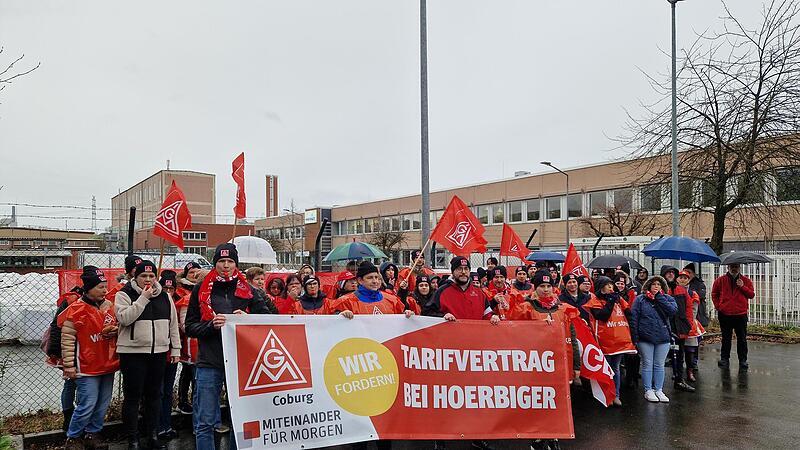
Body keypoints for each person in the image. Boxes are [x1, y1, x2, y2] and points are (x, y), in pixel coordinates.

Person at [185, 243, 273, 450]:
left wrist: (248, 319)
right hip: (209, 362)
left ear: (236, 264)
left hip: (240, 363)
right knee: (205, 420)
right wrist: (210, 325)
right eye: (221, 261)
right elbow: (190, 327)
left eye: (230, 261)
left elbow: (268, 319)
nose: (226, 266)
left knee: (240, 418)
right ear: (215, 263)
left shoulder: (248, 289)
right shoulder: (201, 288)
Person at [422, 256, 499, 450]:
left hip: (474, 354)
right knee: (446, 396)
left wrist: (493, 317)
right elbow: (426, 314)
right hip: (449, 354)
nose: (463, 272)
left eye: (466, 269)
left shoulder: (479, 293)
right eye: (459, 269)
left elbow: (486, 313)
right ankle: (440, 437)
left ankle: (477, 435)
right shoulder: (442, 292)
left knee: (475, 396)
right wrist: (442, 316)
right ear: (453, 271)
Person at [335, 261, 413, 450]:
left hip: (384, 365)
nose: (375, 281)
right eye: (370, 278)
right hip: (358, 367)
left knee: (383, 410)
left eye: (377, 277)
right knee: (360, 411)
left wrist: (409, 314)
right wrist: (339, 317)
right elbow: (328, 327)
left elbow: (404, 317)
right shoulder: (346, 301)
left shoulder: (391, 300)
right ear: (359, 280)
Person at [509, 270, 580, 450]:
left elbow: (572, 337)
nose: (546, 290)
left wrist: (576, 366)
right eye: (542, 286)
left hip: (560, 364)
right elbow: (514, 332)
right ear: (535, 287)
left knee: (558, 401)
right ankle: (537, 438)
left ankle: (554, 435)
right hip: (536, 365)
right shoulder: (526, 307)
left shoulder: (563, 308)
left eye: (549, 286)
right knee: (538, 402)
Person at [115, 260, 181, 450]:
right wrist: (143, 299)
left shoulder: (165, 297)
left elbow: (173, 324)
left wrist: (175, 349)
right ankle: (133, 439)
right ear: (135, 277)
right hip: (132, 353)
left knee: (154, 396)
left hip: (158, 352)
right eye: (143, 276)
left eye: (151, 276)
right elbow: (125, 319)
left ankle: (153, 435)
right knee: (133, 397)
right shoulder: (124, 294)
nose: (148, 280)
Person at [59, 267, 119, 450]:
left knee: (102, 403)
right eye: (100, 287)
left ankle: (93, 433)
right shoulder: (75, 310)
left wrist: (116, 331)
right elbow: (67, 341)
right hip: (85, 367)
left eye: (105, 286)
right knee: (87, 403)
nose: (104, 290)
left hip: (107, 364)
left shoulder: (110, 307)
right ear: (89, 288)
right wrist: (69, 366)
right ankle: (73, 437)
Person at [583, 276, 636, 406]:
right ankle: (606, 395)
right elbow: (602, 316)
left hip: (620, 341)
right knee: (605, 369)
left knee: (616, 368)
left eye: (612, 285)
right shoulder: (594, 300)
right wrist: (611, 302)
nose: (611, 287)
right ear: (601, 287)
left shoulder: (619, 299)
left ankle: (616, 395)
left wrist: (633, 336)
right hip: (604, 342)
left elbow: (629, 315)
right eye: (608, 285)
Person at [630, 276, 677, 403]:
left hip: (663, 337)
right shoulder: (640, 300)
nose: (656, 286)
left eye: (659, 284)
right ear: (649, 286)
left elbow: (672, 311)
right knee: (647, 363)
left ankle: (659, 389)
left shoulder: (667, 299)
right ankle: (648, 390)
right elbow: (634, 318)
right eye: (654, 284)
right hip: (645, 337)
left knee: (659, 364)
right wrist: (635, 337)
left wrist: (659, 298)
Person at [46, 285, 84, 432]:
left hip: (81, 349)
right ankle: (70, 417)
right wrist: (56, 351)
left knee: (75, 385)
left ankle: (73, 418)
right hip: (70, 349)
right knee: (72, 384)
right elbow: (57, 325)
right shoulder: (71, 300)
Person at [711, 263, 754, 370]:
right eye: (732, 267)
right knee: (726, 338)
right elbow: (714, 294)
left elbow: (751, 295)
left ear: (739, 268)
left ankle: (743, 360)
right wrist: (719, 307)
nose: (734, 269)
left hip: (741, 314)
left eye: (736, 267)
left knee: (742, 339)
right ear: (728, 267)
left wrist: (742, 286)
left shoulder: (746, 280)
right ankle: (724, 359)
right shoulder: (720, 280)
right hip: (725, 314)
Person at [156, 270, 181, 441]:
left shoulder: (179, 302)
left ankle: (166, 425)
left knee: (167, 392)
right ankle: (156, 427)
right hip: (157, 353)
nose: (168, 292)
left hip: (172, 353)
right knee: (156, 392)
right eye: (165, 288)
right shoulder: (155, 300)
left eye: (171, 289)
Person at [175, 262, 202, 415]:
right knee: (189, 371)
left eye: (198, 272)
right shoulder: (183, 294)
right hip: (189, 341)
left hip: (199, 341)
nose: (194, 276)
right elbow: (185, 324)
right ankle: (183, 401)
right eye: (191, 272)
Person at [673, 271, 703, 386]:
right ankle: (677, 372)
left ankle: (690, 371)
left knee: (690, 350)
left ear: (689, 280)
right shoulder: (673, 290)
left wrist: (687, 324)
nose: (683, 280)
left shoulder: (692, 293)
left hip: (689, 325)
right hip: (677, 325)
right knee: (677, 351)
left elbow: (694, 311)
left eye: (685, 278)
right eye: (680, 277)